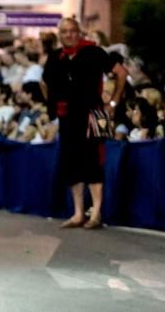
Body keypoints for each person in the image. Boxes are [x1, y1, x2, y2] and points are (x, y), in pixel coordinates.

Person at [43, 17, 113, 230]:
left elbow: (119, 73)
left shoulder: (94, 52)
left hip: (95, 114)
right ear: (60, 35)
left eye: (73, 31)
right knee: (72, 163)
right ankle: (78, 213)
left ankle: (97, 213)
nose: (69, 35)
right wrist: (52, 106)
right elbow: (45, 82)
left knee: (94, 160)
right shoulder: (56, 57)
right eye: (65, 32)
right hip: (68, 116)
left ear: (79, 32)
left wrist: (113, 101)